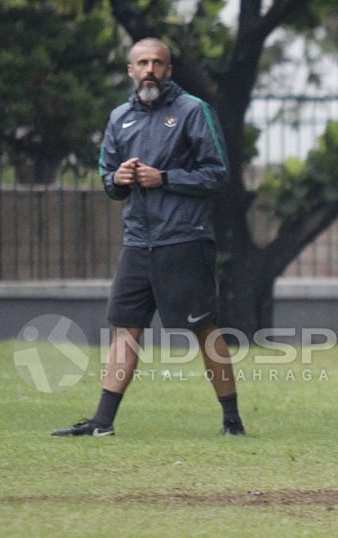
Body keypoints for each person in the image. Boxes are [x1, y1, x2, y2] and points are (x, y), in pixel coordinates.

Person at [52, 37, 243, 438]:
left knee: (204, 328)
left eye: (158, 62)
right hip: (138, 243)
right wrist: (117, 180)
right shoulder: (120, 117)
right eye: (142, 63)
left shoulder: (194, 111)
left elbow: (218, 174)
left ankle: (232, 421)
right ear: (131, 71)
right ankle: (102, 423)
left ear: (169, 70)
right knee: (126, 328)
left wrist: (165, 178)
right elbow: (108, 178)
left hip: (185, 239)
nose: (150, 69)